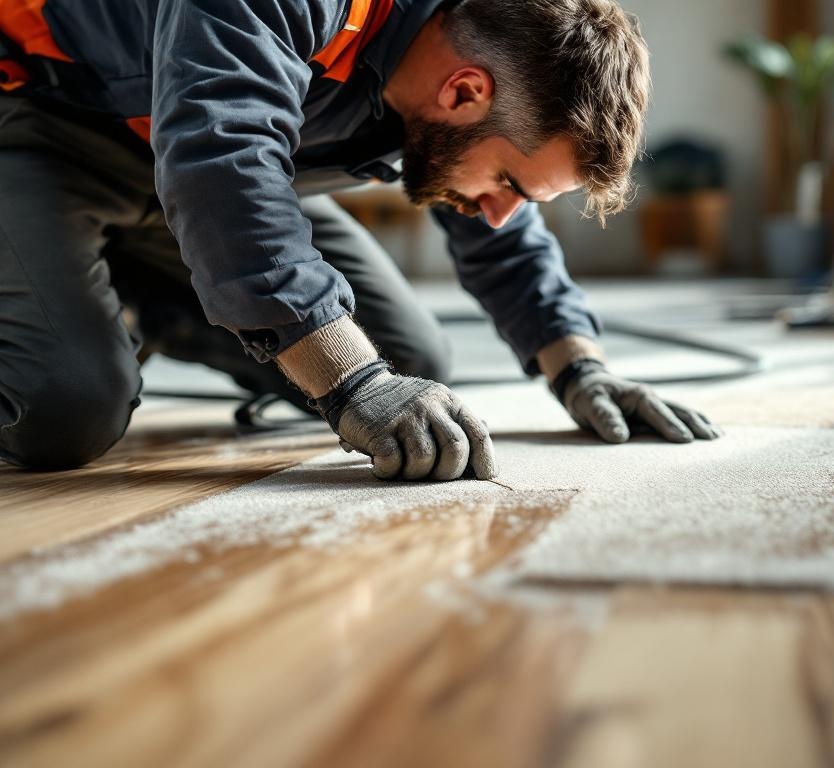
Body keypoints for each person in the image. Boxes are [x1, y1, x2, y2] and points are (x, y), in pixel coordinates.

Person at [0, 0, 721, 481]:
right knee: (65, 406)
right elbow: (224, 158)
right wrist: (349, 382)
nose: (501, 213)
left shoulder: (467, 61)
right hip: (45, 124)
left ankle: (136, 295)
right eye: (511, 183)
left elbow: (498, 221)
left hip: (181, 179)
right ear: (464, 91)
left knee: (408, 367)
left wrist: (579, 366)